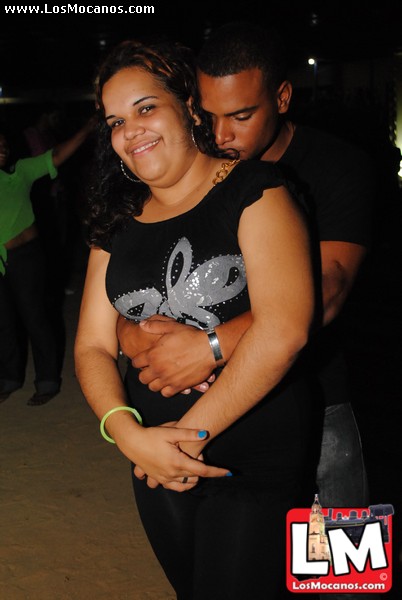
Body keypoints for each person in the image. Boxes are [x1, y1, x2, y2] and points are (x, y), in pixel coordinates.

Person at [74, 38, 316, 599]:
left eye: (145, 108)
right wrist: (125, 430)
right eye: (114, 121)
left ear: (187, 104)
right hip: (152, 458)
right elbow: (90, 344)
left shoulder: (257, 192)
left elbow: (285, 330)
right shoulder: (118, 221)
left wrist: (186, 440)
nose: (129, 131)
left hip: (249, 457)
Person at [117, 21, 375, 518]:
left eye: (240, 115)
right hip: (211, 406)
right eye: (206, 116)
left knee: (342, 573)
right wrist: (132, 330)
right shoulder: (201, 169)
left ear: (282, 97)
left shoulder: (337, 166)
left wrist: (209, 346)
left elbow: (331, 286)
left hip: (316, 394)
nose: (220, 135)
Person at [0, 117, 94, 405]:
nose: (2, 150)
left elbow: (58, 154)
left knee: (34, 317)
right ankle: (10, 378)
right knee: (3, 322)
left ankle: (48, 380)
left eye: (4, 145)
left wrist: (87, 128)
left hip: (26, 257)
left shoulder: (20, 171)